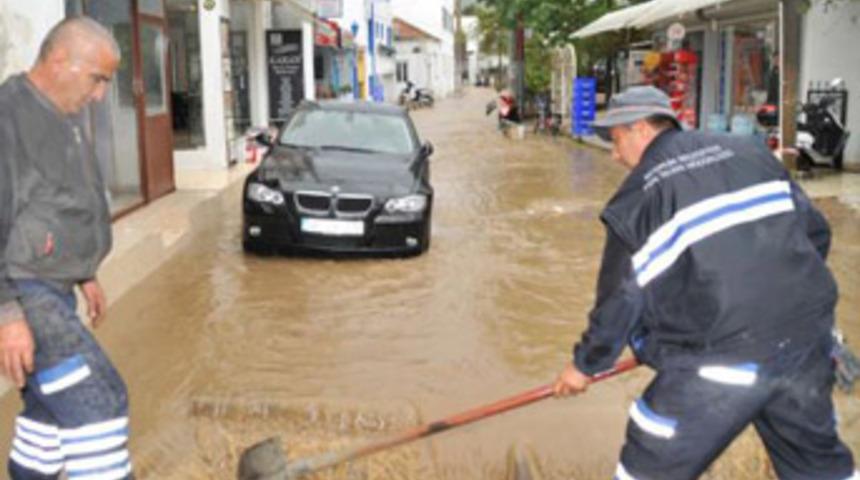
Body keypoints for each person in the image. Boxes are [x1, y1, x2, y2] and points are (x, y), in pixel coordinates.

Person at [553, 86, 857, 479]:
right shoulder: (749, 152)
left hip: (719, 361)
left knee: (648, 461)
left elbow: (620, 302)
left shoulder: (636, 200)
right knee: (819, 465)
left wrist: (583, 367)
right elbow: (815, 233)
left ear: (642, 129)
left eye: (615, 140)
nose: (613, 155)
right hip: (807, 341)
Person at [0, 17, 131, 479]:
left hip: (50, 286)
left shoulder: (60, 115)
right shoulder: (8, 118)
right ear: (60, 60)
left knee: (47, 412)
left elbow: (58, 203)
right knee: (100, 400)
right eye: (98, 79)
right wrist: (8, 316)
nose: (100, 96)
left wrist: (84, 269)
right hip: (22, 290)